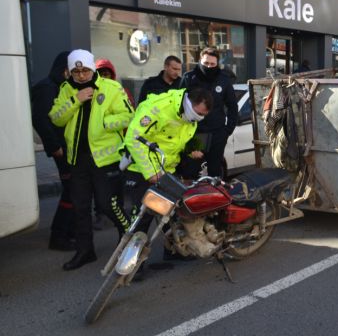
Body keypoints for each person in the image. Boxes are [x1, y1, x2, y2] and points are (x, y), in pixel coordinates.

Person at [49, 49, 134, 271]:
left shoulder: (111, 87)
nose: (81, 75)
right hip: (77, 159)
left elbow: (128, 115)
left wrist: (105, 123)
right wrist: (75, 101)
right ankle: (85, 251)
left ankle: (127, 240)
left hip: (106, 159)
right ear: (70, 71)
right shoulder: (66, 89)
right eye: (76, 71)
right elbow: (56, 118)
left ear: (92, 68)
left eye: (85, 70)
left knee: (109, 205)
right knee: (80, 207)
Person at [121, 87, 212, 259]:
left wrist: (190, 149)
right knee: (142, 219)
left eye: (203, 115)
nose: (199, 118)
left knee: (171, 214)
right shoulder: (159, 108)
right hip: (142, 168)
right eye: (198, 113)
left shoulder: (188, 115)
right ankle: (129, 265)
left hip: (165, 170)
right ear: (189, 103)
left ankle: (174, 252)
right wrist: (151, 172)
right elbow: (133, 138)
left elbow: (174, 140)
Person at [31, 51, 76, 251]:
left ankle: (68, 232)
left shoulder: (60, 86)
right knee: (70, 190)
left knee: (74, 189)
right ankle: (58, 237)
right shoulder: (47, 87)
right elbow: (40, 119)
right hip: (61, 148)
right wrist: (54, 146)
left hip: (69, 147)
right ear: (64, 69)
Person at [179, 47, 237, 178]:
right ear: (200, 61)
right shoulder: (189, 78)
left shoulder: (224, 80)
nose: (209, 67)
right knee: (191, 171)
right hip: (196, 133)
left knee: (215, 172)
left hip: (217, 133)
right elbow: (179, 105)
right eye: (206, 63)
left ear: (217, 64)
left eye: (212, 64)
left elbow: (232, 106)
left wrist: (227, 130)